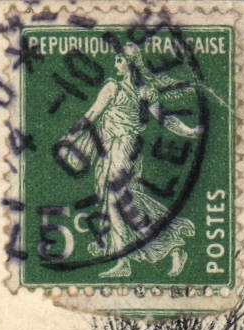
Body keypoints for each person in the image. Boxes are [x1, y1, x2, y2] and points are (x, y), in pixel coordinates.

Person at [67, 42, 200, 278]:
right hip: (109, 150)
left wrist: (189, 131)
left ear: (130, 63)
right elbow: (92, 115)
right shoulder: (114, 88)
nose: (115, 64)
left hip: (125, 148)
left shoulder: (141, 91)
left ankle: (148, 252)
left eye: (119, 60)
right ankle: (148, 253)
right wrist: (71, 136)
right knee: (120, 203)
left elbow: (165, 119)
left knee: (117, 199)